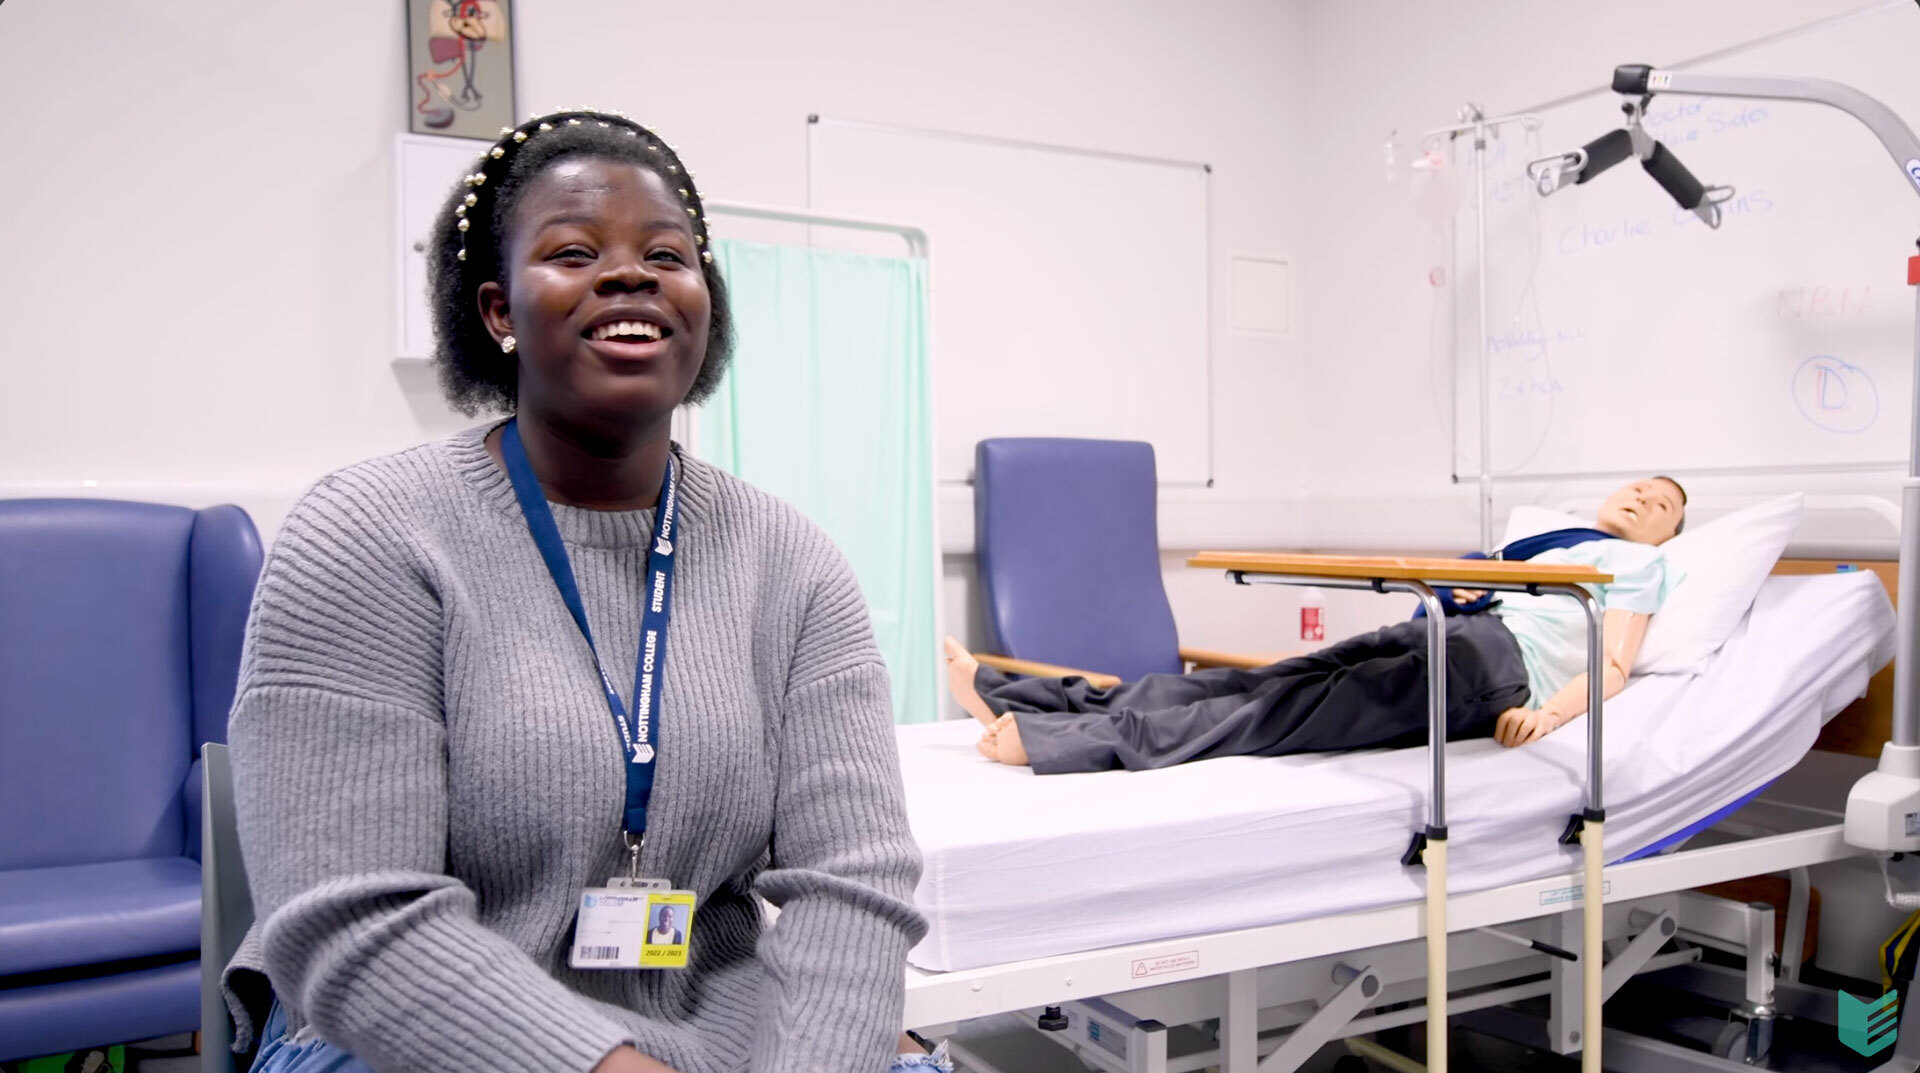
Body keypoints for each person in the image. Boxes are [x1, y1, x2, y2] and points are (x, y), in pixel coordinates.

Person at [223, 110, 945, 1073]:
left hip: (715, 1026)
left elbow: (851, 885)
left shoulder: (793, 562)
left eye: (667, 254)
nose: (631, 272)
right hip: (411, 1035)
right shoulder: (369, 534)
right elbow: (358, 921)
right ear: (496, 313)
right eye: (573, 252)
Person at [947, 477, 1687, 774]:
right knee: (1255, 681)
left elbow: (1613, 662)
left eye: (1662, 504)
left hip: (1497, 668)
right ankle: (1026, 700)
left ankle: (1061, 742)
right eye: (1640, 487)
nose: (1644, 497)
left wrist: (1549, 712)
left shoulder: (1636, 567)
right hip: (1444, 631)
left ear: (1666, 534)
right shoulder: (1552, 544)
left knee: (1276, 714)